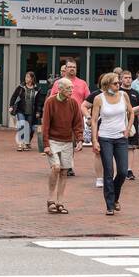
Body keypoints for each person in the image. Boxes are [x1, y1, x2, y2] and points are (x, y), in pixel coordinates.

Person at [91, 72, 133, 216]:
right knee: (108, 171)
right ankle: (110, 205)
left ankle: (115, 197)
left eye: (119, 83)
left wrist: (128, 129)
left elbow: (131, 112)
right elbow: (94, 120)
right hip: (105, 138)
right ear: (107, 84)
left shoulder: (123, 96)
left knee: (122, 171)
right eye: (115, 83)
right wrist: (94, 140)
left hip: (121, 138)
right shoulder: (99, 98)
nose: (118, 85)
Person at [39, 78, 83, 214]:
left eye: (72, 88)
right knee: (56, 168)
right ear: (60, 89)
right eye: (68, 88)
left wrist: (80, 139)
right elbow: (45, 125)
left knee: (64, 171)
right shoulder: (50, 102)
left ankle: (60, 202)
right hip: (52, 140)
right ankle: (50, 200)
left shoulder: (73, 103)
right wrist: (45, 145)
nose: (71, 90)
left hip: (67, 142)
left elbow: (77, 123)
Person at [49, 60, 86, 176]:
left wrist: (87, 113)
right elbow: (52, 98)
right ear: (65, 68)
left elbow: (88, 100)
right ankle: (60, 163)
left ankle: (68, 166)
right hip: (59, 119)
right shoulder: (58, 83)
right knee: (59, 142)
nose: (72, 69)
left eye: (74, 67)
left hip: (76, 118)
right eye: (69, 67)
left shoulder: (82, 83)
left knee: (72, 142)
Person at [81, 75, 107, 188]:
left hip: (113, 127)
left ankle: (112, 176)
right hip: (98, 126)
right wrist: (88, 118)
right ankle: (100, 178)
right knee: (98, 152)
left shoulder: (117, 94)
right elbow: (83, 106)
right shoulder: (95, 94)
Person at [9, 71, 43, 151]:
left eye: (28, 77)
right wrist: (11, 106)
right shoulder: (21, 87)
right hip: (20, 110)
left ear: (32, 79)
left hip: (31, 111)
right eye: (26, 77)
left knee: (29, 128)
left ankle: (26, 142)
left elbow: (39, 102)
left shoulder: (37, 89)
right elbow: (14, 96)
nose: (26, 79)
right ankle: (20, 144)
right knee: (22, 125)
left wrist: (38, 111)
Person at [120, 70, 139, 181]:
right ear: (121, 79)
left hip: (133, 124)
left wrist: (133, 112)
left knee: (131, 148)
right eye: (125, 77)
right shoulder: (118, 92)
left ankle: (129, 170)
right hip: (119, 124)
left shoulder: (135, 93)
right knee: (119, 147)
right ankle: (119, 169)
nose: (128, 79)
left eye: (130, 77)